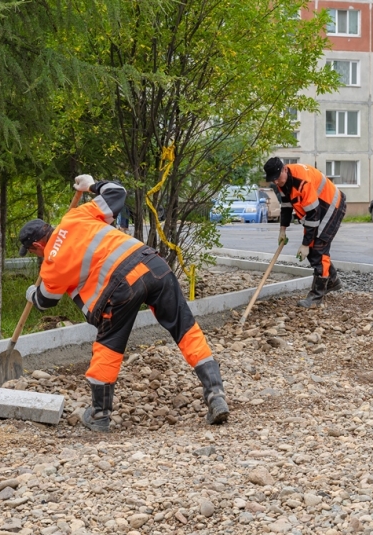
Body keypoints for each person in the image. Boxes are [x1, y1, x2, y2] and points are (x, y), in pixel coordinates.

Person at [17, 175, 229, 432]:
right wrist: (91, 185)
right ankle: (215, 394)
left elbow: (45, 301)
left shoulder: (51, 267)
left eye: (31, 251)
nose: (34, 255)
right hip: (153, 265)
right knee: (185, 328)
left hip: (120, 290)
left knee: (109, 346)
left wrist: (32, 292)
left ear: (38, 245)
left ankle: (99, 415)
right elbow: (117, 192)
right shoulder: (76, 217)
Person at [264, 157, 346, 308]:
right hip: (317, 210)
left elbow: (313, 215)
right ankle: (332, 281)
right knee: (313, 248)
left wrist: (305, 244)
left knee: (319, 248)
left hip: (331, 207)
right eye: (272, 180)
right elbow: (287, 206)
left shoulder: (302, 181)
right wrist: (282, 230)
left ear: (284, 169)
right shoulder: (283, 182)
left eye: (277, 178)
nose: (275, 182)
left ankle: (316, 296)